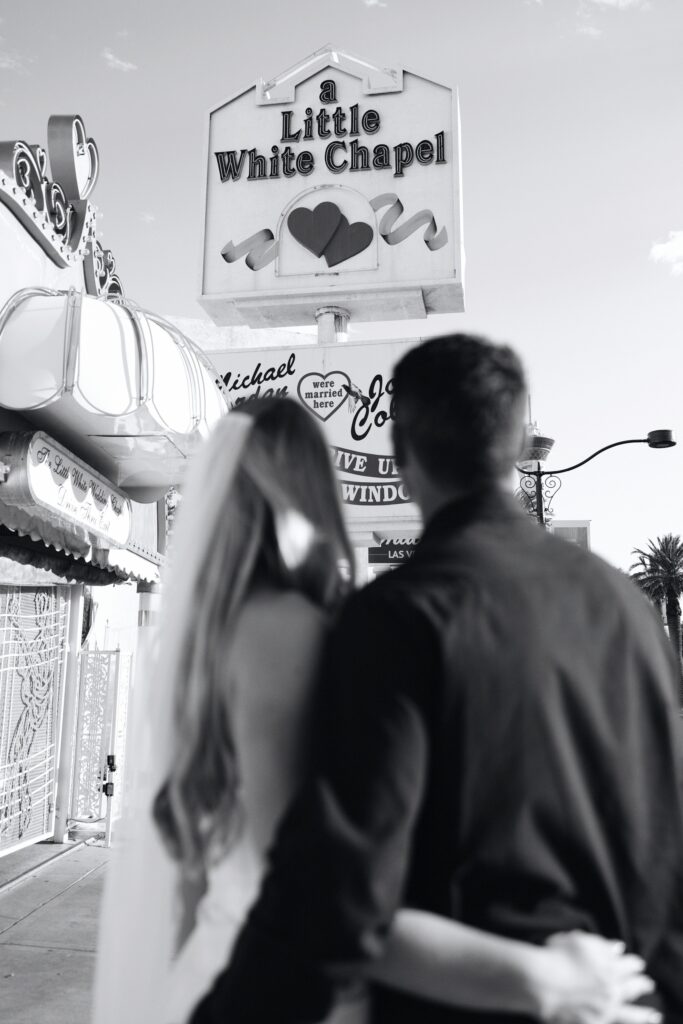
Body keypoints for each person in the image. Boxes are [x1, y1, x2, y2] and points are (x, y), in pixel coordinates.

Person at [93, 396, 652, 1024]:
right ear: (304, 485)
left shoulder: (205, 639)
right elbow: (309, 893)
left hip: (217, 968)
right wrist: (538, 979)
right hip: (293, 987)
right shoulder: (288, 630)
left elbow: (195, 880)